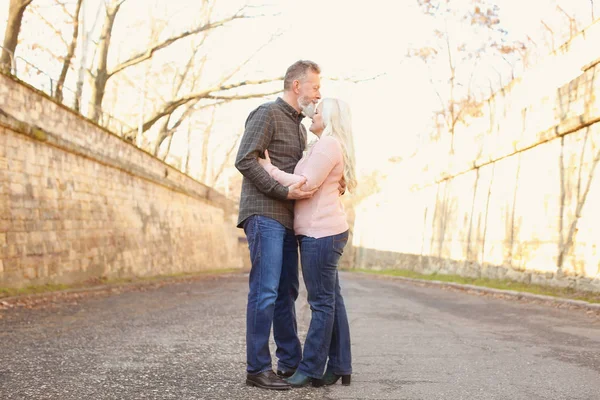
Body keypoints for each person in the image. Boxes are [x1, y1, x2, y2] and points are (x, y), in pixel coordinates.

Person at [234, 60, 321, 391]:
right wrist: (281, 190)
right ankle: (257, 368)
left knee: (287, 291)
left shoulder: (299, 127)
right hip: (263, 213)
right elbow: (245, 159)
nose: (318, 93)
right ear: (297, 86)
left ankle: (289, 362)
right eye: (314, 86)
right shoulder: (267, 113)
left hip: (287, 219)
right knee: (266, 290)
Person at [258, 98, 357, 388]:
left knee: (321, 303)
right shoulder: (323, 145)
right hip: (323, 230)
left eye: (318, 110)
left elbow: (305, 184)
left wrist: (268, 167)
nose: (312, 113)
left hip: (321, 233)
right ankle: (340, 364)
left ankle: (311, 368)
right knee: (331, 300)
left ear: (328, 117)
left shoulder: (328, 145)